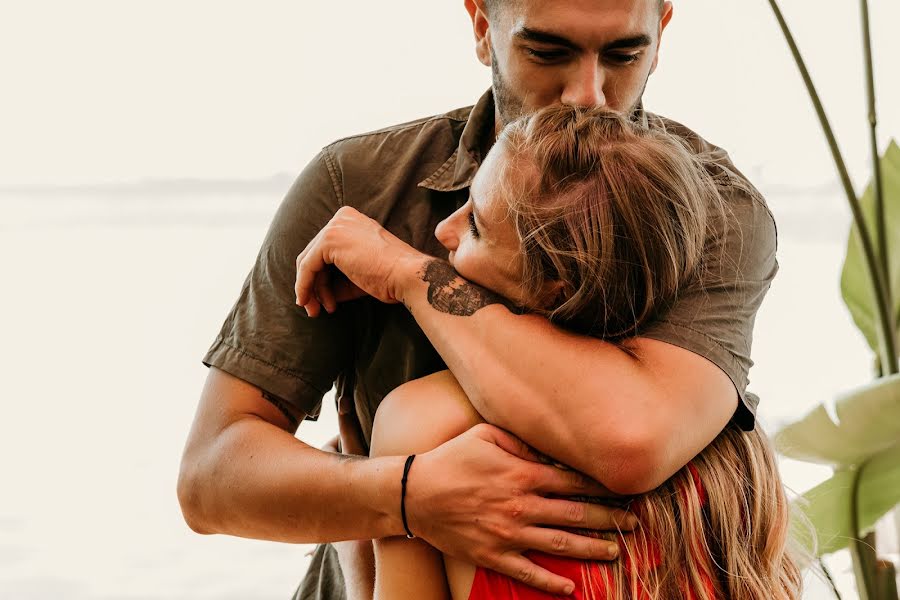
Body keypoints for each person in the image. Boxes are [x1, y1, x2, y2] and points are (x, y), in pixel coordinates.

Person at [178, 1, 780, 598]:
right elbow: (211, 479)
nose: (588, 95)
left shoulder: (715, 210)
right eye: (548, 51)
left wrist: (413, 278)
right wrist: (408, 496)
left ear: (662, 30)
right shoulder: (360, 184)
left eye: (625, 53)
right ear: (482, 25)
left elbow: (630, 441)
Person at [338, 105, 800, 599]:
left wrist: (356, 527)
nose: (443, 232)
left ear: (555, 288)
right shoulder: (730, 446)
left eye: (476, 226)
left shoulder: (425, 423)